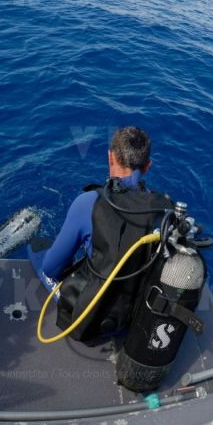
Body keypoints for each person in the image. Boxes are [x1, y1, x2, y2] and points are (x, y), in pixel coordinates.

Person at [28, 126, 173, 341]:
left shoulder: (88, 203)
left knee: (39, 252)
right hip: (137, 316)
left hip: (91, 319)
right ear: (148, 166)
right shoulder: (165, 211)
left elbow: (52, 267)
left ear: (110, 157)